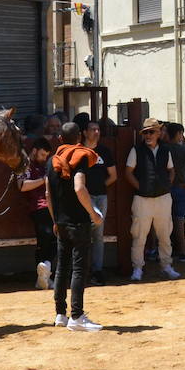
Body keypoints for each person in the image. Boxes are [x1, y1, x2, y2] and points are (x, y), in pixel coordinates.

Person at [47, 121, 103, 331]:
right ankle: (77, 316)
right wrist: (93, 213)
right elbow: (79, 187)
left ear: (60, 139)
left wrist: (54, 220)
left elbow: (47, 194)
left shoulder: (52, 161)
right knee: (79, 268)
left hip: (61, 222)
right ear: (79, 137)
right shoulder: (79, 158)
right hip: (79, 221)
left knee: (62, 267)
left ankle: (60, 314)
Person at [125, 118, 180, 281]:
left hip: (163, 197)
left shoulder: (165, 150)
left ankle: (167, 265)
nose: (148, 135)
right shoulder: (137, 150)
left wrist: (166, 186)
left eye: (151, 132)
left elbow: (171, 171)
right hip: (143, 199)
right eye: (145, 132)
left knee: (165, 234)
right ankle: (137, 268)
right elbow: (128, 172)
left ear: (158, 133)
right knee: (139, 235)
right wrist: (140, 187)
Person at [83, 120, 116, 285]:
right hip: (84, 198)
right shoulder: (79, 151)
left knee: (97, 235)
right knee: (83, 234)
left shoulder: (104, 151)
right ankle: (83, 270)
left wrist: (101, 185)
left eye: (98, 129)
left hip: (100, 196)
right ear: (84, 132)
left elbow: (113, 175)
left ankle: (97, 270)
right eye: (92, 129)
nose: (96, 132)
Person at [21, 137, 56, 290]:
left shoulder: (45, 164)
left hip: (50, 205)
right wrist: (44, 180)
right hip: (38, 207)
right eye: (42, 155)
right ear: (34, 151)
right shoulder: (24, 164)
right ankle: (45, 273)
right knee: (47, 238)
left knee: (49, 240)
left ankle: (43, 275)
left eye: (46, 156)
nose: (44, 158)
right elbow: (22, 186)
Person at [163, 122, 185, 262]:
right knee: (179, 220)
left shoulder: (163, 149)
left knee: (164, 222)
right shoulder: (184, 150)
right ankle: (182, 251)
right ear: (178, 134)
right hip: (181, 187)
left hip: (166, 188)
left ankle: (165, 251)